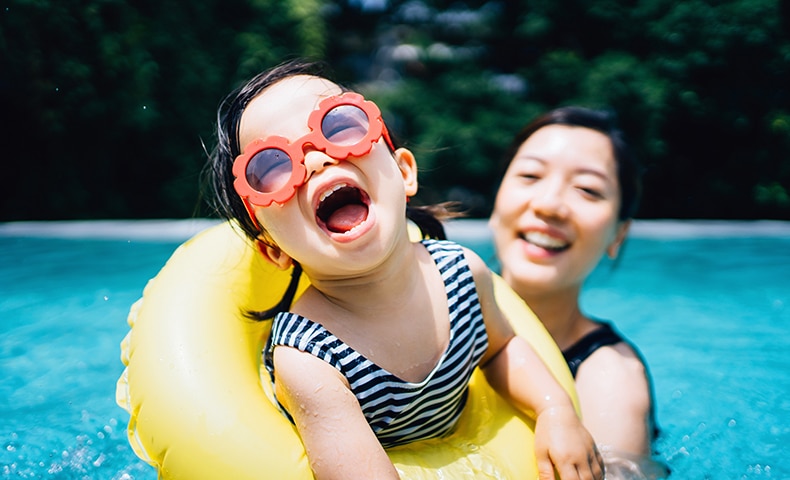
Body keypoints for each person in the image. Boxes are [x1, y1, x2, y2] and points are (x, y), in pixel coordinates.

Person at [206, 59, 604, 480]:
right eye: (272, 167)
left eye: (339, 126)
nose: (318, 160)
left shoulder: (462, 274)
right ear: (274, 250)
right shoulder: (308, 357)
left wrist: (554, 409)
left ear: (403, 171)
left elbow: (502, 349)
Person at [488, 107, 666, 476]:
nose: (549, 205)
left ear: (619, 234)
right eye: (530, 175)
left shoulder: (609, 376)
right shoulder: (427, 305)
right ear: (497, 200)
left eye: (588, 189)